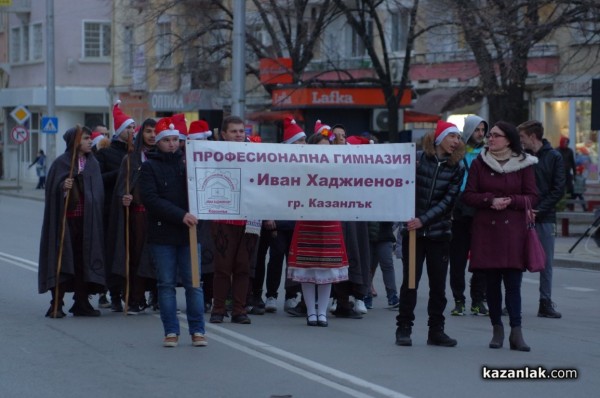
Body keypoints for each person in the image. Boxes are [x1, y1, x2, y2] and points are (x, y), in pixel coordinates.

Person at [463, 121, 538, 351]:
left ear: (508, 139)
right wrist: (490, 200)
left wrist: (512, 201)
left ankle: (517, 332)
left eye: (495, 135)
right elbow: (469, 195)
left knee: (513, 284)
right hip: (487, 230)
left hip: (513, 231)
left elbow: (533, 196)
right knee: (492, 285)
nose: (490, 139)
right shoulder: (480, 163)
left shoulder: (524, 164)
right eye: (490, 135)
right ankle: (497, 329)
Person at [395, 120, 464, 348]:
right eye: (452, 136)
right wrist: (408, 217)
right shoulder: (416, 159)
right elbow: (401, 186)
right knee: (411, 283)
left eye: (458, 138)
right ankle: (404, 327)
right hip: (413, 235)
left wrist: (422, 219)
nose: (456, 141)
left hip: (439, 233)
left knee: (438, 286)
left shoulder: (457, 167)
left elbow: (448, 202)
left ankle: (436, 330)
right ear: (439, 138)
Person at [139, 117, 207, 347]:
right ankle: (171, 331)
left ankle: (198, 330)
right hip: (163, 235)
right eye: (166, 140)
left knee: (194, 284)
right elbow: (151, 200)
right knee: (166, 285)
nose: (171, 144)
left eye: (175, 139)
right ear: (157, 142)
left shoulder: (190, 164)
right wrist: (180, 215)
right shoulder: (149, 167)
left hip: (190, 234)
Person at [38, 126, 105, 318]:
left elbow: (97, 193)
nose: (89, 141)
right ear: (74, 142)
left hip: (88, 223)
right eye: (85, 138)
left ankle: (82, 302)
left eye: (89, 138)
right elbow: (51, 192)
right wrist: (63, 187)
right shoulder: (61, 163)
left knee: (84, 262)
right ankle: (56, 303)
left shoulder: (93, 164)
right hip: (66, 223)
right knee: (62, 260)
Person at [287, 130, 349, 327]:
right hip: (307, 219)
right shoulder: (302, 168)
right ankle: (311, 312)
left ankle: (322, 312)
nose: (325, 152)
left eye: (328, 148)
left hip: (330, 220)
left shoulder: (337, 168)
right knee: (307, 266)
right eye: (321, 148)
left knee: (327, 269)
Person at [209, 116, 259, 325]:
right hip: (224, 217)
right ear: (224, 134)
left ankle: (239, 309)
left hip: (251, 218)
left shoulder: (256, 155)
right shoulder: (214, 155)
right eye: (234, 131)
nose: (239, 135)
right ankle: (218, 308)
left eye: (241, 131)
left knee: (243, 266)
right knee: (222, 266)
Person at [109, 118, 157, 314]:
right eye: (148, 131)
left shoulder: (163, 156)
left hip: (159, 217)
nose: (152, 135)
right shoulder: (131, 159)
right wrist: (125, 196)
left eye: (155, 132)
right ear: (141, 134)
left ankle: (158, 297)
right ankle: (135, 297)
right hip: (138, 216)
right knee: (137, 257)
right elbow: (122, 187)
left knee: (158, 258)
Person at [518, 120, 565, 319]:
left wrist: (538, 210)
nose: (520, 141)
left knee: (545, 261)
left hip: (545, 217)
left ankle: (545, 302)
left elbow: (558, 189)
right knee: (517, 259)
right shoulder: (522, 158)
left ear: (532, 137)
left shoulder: (554, 157)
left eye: (522, 137)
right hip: (523, 215)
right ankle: (513, 300)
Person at [96, 101, 136, 311]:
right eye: (128, 128)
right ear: (119, 131)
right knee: (115, 252)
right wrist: (121, 172)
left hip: (134, 209)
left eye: (133, 127)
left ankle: (133, 294)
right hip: (111, 210)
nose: (132, 131)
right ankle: (114, 294)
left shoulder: (136, 153)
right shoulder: (105, 154)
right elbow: (98, 179)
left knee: (133, 251)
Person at [449, 115, 489, 316]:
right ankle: (458, 300)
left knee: (481, 258)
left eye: (483, 130)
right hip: (459, 210)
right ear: (469, 130)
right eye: (477, 130)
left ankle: (478, 299)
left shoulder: (488, 153)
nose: (480, 134)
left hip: (481, 209)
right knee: (458, 258)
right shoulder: (457, 152)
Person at [557, 135, 577, 209]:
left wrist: (575, 174)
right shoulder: (556, 151)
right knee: (560, 190)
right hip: (559, 174)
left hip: (568, 174)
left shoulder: (570, 151)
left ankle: (570, 206)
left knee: (570, 190)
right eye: (565, 142)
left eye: (567, 143)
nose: (566, 144)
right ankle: (561, 206)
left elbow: (573, 163)